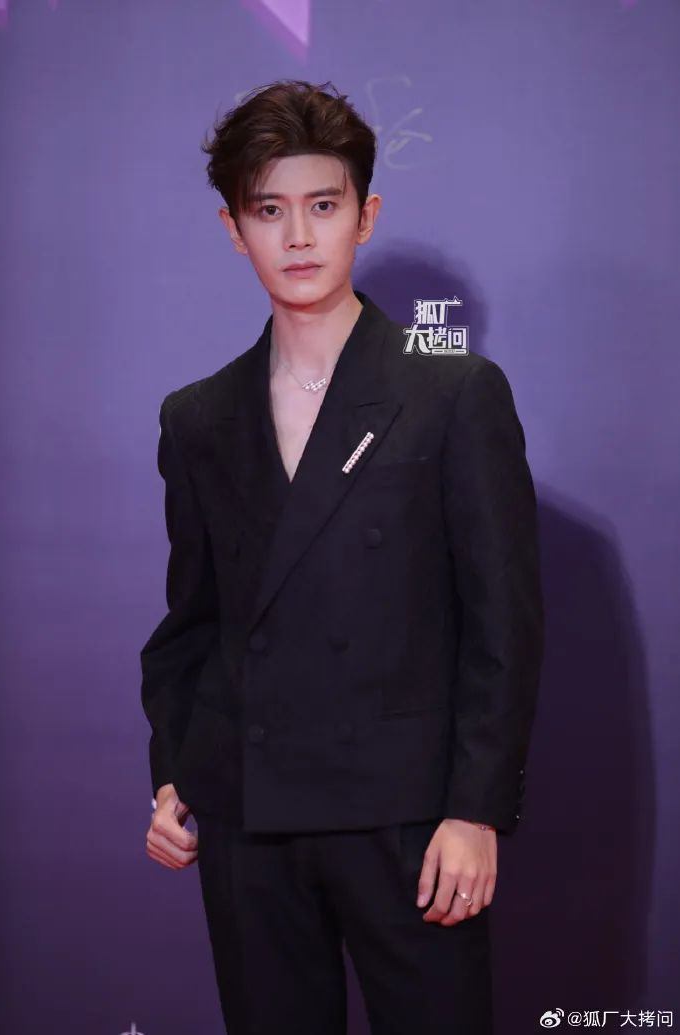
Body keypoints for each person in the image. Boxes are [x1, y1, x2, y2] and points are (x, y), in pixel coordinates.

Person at [140, 78, 544, 1035]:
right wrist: (174, 772)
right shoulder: (197, 417)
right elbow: (193, 624)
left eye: (323, 207)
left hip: (409, 822)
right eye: (268, 211)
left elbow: (503, 624)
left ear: (365, 216)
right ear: (233, 228)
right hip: (248, 817)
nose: (298, 237)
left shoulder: (454, 393)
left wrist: (476, 809)